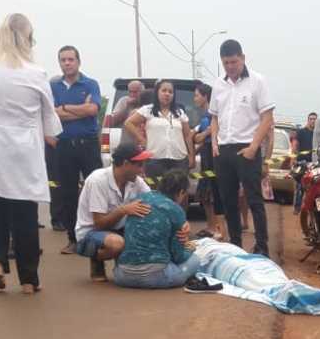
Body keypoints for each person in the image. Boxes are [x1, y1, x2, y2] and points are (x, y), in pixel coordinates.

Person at [0, 13, 62, 294]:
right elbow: (50, 120)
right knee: (25, 213)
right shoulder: (36, 73)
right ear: (29, 38)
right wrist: (51, 133)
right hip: (26, 150)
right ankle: (28, 279)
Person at [210, 38, 275, 256]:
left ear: (243, 58)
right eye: (226, 63)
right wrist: (214, 143)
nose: (230, 67)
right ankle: (236, 246)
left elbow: (267, 118)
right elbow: (214, 117)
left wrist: (254, 147)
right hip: (223, 150)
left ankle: (262, 247)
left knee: (254, 200)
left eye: (234, 62)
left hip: (247, 148)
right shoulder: (218, 84)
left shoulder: (258, 81)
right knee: (228, 201)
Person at [113, 168, 221, 292]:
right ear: (181, 192)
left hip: (122, 276)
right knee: (195, 260)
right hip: (156, 277)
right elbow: (178, 256)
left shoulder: (138, 199)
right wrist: (189, 249)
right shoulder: (175, 210)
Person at [74, 140, 154, 282]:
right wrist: (123, 210)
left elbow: (155, 204)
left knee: (150, 234)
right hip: (91, 232)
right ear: (125, 164)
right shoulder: (97, 180)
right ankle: (96, 258)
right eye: (139, 165)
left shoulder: (136, 180)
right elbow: (99, 224)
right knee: (117, 244)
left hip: (120, 229)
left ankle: (123, 261)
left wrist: (179, 223)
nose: (142, 170)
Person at [51, 44, 102, 255]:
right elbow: (52, 115)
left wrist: (64, 109)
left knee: (96, 191)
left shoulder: (90, 84)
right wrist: (79, 109)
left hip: (88, 144)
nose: (67, 63)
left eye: (70, 59)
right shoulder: (53, 87)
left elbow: (93, 110)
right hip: (64, 147)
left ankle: (99, 236)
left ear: (78, 61)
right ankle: (73, 239)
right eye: (63, 60)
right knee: (68, 194)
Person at [124, 79, 195, 181]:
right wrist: (141, 139)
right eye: (164, 90)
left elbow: (188, 135)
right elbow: (128, 123)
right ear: (157, 92)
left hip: (179, 160)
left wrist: (191, 156)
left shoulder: (180, 113)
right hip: (155, 159)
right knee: (157, 193)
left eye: (170, 92)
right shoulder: (148, 110)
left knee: (178, 192)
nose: (167, 94)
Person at [192, 80, 226, 238]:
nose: (195, 99)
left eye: (197, 95)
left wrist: (204, 134)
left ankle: (217, 229)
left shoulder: (211, 116)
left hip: (213, 158)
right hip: (206, 157)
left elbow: (201, 138)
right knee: (206, 195)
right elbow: (198, 139)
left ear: (206, 97)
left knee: (212, 194)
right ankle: (212, 227)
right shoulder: (204, 117)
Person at [293, 112, 317, 214]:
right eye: (311, 119)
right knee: (300, 186)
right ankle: (297, 207)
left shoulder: (318, 133)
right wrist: (294, 158)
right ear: (308, 120)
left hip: (314, 163)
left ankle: (312, 208)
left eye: (315, 119)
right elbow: (295, 144)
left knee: (314, 186)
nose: (313, 121)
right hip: (302, 162)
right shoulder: (301, 132)